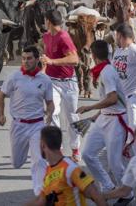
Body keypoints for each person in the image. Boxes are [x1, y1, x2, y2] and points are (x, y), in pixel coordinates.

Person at [78, 40, 133, 204]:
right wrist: (95, 116)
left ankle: (127, 195)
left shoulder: (107, 72)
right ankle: (109, 188)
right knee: (87, 154)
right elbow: (109, 100)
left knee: (115, 162)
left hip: (116, 121)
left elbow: (112, 98)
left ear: (93, 56)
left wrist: (89, 108)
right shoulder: (104, 69)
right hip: (104, 117)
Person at [0, 46, 54, 195]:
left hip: (37, 125)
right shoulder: (14, 77)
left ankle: (40, 194)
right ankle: (24, 155)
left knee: (39, 161)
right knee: (16, 163)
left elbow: (49, 103)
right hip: (18, 125)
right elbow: (1, 96)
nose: (26, 61)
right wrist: (1, 115)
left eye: (29, 58)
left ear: (37, 59)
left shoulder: (45, 80)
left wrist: (50, 113)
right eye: (23, 58)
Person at [25, 126, 107, 206]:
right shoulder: (48, 171)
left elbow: (95, 195)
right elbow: (41, 201)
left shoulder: (70, 168)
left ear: (43, 145)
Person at [40, 10, 81, 162]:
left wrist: (52, 62)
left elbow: (75, 59)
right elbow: (47, 57)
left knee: (72, 118)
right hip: (52, 81)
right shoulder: (46, 36)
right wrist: (44, 69)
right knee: (53, 113)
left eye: (45, 20)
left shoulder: (63, 36)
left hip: (68, 82)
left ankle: (75, 149)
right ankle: (59, 150)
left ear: (49, 22)